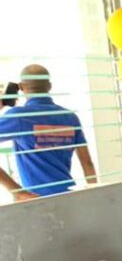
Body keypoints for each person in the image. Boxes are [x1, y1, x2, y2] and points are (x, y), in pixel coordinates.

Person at [0, 65, 96, 200]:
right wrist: (94, 196)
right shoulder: (70, 117)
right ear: (49, 86)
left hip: (36, 200)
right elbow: (87, 163)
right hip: (69, 195)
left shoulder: (19, 117)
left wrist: (16, 190)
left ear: (21, 87)